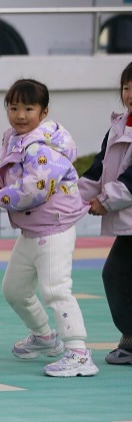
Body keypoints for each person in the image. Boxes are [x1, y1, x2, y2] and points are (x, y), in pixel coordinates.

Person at [0, 78, 98, 377]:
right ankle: (45, 337)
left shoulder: (44, 146)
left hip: (55, 228)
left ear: (43, 112)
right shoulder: (14, 139)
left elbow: (34, 189)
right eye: (13, 108)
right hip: (32, 229)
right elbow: (0, 173)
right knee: (14, 289)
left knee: (56, 290)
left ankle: (79, 353)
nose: (20, 115)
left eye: (28, 109)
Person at [79, 62, 132, 366]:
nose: (129, 95)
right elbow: (98, 170)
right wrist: (69, 199)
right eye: (126, 88)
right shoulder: (118, 127)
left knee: (116, 274)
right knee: (117, 275)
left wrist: (105, 201)